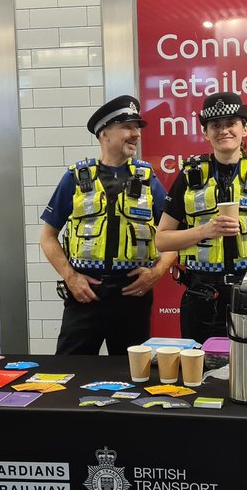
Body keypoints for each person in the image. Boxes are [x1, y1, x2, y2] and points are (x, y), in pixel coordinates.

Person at [155, 92, 247, 343]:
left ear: (245, 128)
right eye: (215, 125)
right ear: (206, 133)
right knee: (202, 375)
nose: (224, 131)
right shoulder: (189, 175)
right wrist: (204, 231)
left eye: (231, 123)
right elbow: (162, 240)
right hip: (203, 297)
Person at [39, 96, 175, 356]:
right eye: (127, 126)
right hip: (85, 295)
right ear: (104, 133)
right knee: (71, 370)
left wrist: (156, 272)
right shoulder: (76, 179)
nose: (136, 134)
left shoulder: (149, 180)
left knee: (132, 375)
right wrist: (71, 277)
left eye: (137, 127)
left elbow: (173, 237)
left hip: (132, 297)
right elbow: (47, 236)